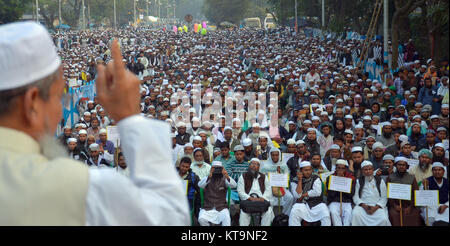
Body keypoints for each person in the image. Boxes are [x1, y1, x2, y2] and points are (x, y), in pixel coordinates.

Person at [0, 23, 189, 225]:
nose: (61, 107)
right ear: (33, 103)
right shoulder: (78, 187)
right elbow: (170, 216)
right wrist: (131, 118)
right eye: (59, 96)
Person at [289, 161, 331, 226]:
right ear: (301, 171)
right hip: (303, 204)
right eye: (305, 170)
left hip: (316, 203)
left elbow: (317, 192)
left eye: (309, 170)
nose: (308, 172)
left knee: (325, 212)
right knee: (294, 211)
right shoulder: (295, 180)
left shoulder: (315, 178)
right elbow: (297, 196)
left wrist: (304, 195)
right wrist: (300, 180)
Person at [351, 161, 391, 226]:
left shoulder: (380, 181)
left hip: (377, 206)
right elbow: (355, 196)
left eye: (370, 169)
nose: (368, 171)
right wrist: (364, 206)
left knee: (384, 219)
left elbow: (384, 197)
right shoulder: (359, 181)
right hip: (362, 206)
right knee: (355, 215)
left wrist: (375, 208)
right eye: (366, 170)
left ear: (373, 170)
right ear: (362, 171)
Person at [237, 158, 274, 226]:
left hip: (261, 201)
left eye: (256, 164)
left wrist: (262, 198)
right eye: (252, 163)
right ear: (249, 165)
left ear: (259, 167)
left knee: (268, 211)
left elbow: (268, 190)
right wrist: (250, 198)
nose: (254, 166)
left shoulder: (264, 177)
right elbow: (240, 191)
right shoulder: (243, 176)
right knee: (243, 213)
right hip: (248, 201)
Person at [198, 161, 237, 226]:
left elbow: (234, 185)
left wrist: (227, 176)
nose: (216, 170)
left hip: (221, 207)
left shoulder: (224, 179)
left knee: (227, 219)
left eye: (218, 168)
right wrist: (209, 176)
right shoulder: (208, 178)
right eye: (214, 168)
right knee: (201, 219)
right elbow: (200, 185)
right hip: (208, 207)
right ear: (211, 169)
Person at [387, 157, 422, 226]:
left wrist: (410, 206)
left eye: (403, 165)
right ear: (396, 166)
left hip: (409, 205)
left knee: (414, 215)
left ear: (406, 166)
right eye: (399, 165)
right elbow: (388, 193)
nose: (401, 167)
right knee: (394, 215)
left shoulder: (411, 177)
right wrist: (394, 205)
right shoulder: (390, 177)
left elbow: (416, 193)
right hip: (396, 205)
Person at [260, 148, 294, 216]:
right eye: (273, 155)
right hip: (269, 188)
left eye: (276, 155)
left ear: (279, 156)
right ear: (270, 155)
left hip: (281, 187)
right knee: (268, 199)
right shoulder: (265, 166)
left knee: (290, 197)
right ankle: (271, 219)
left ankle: (285, 216)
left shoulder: (283, 166)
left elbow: (287, 178)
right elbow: (261, 179)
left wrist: (280, 173)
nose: (275, 157)